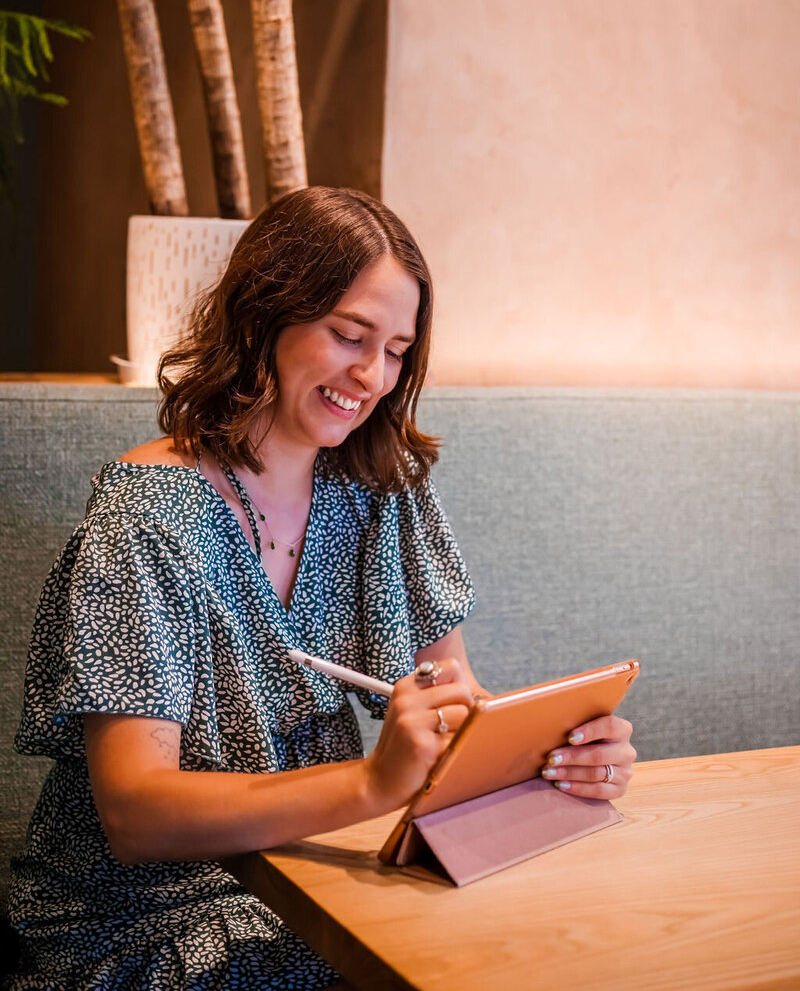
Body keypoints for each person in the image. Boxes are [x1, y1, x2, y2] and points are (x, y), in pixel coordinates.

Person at [8, 187, 636, 990]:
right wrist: (373, 784)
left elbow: (456, 717)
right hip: (143, 920)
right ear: (263, 316)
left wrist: (556, 761)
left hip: (316, 886)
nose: (373, 376)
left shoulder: (382, 489)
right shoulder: (149, 514)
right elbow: (136, 814)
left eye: (399, 349)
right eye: (349, 335)